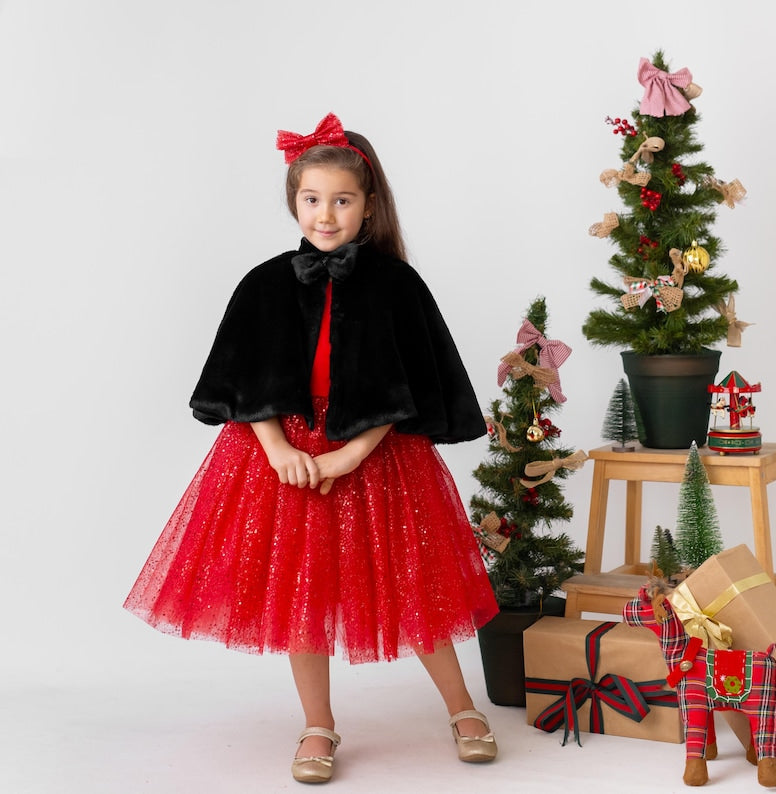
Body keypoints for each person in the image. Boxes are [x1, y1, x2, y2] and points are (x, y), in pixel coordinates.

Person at [124, 112, 499, 784]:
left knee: (415, 585)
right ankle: (318, 725)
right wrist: (275, 448)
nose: (326, 215)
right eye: (312, 199)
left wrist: (351, 453)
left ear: (369, 205)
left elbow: (406, 384)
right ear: (294, 202)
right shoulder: (264, 284)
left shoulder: (395, 286)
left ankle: (463, 707)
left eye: (343, 200)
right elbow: (242, 379)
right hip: (286, 459)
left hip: (374, 459)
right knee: (302, 591)